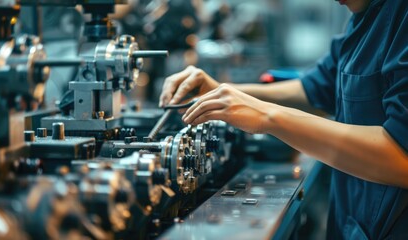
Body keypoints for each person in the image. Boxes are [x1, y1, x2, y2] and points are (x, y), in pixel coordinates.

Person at [159, 0, 408, 239]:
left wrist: (267, 116)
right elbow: (318, 88)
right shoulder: (364, 16)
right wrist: (220, 91)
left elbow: (401, 158)